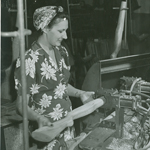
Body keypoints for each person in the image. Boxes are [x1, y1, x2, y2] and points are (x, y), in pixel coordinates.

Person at [14, 6, 94, 150]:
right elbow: (21, 105)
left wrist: (80, 93)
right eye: (60, 31)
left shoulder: (61, 52)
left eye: (66, 30)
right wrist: (38, 118)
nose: (65, 36)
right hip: (47, 133)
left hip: (67, 127)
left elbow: (61, 86)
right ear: (45, 28)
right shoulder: (29, 59)